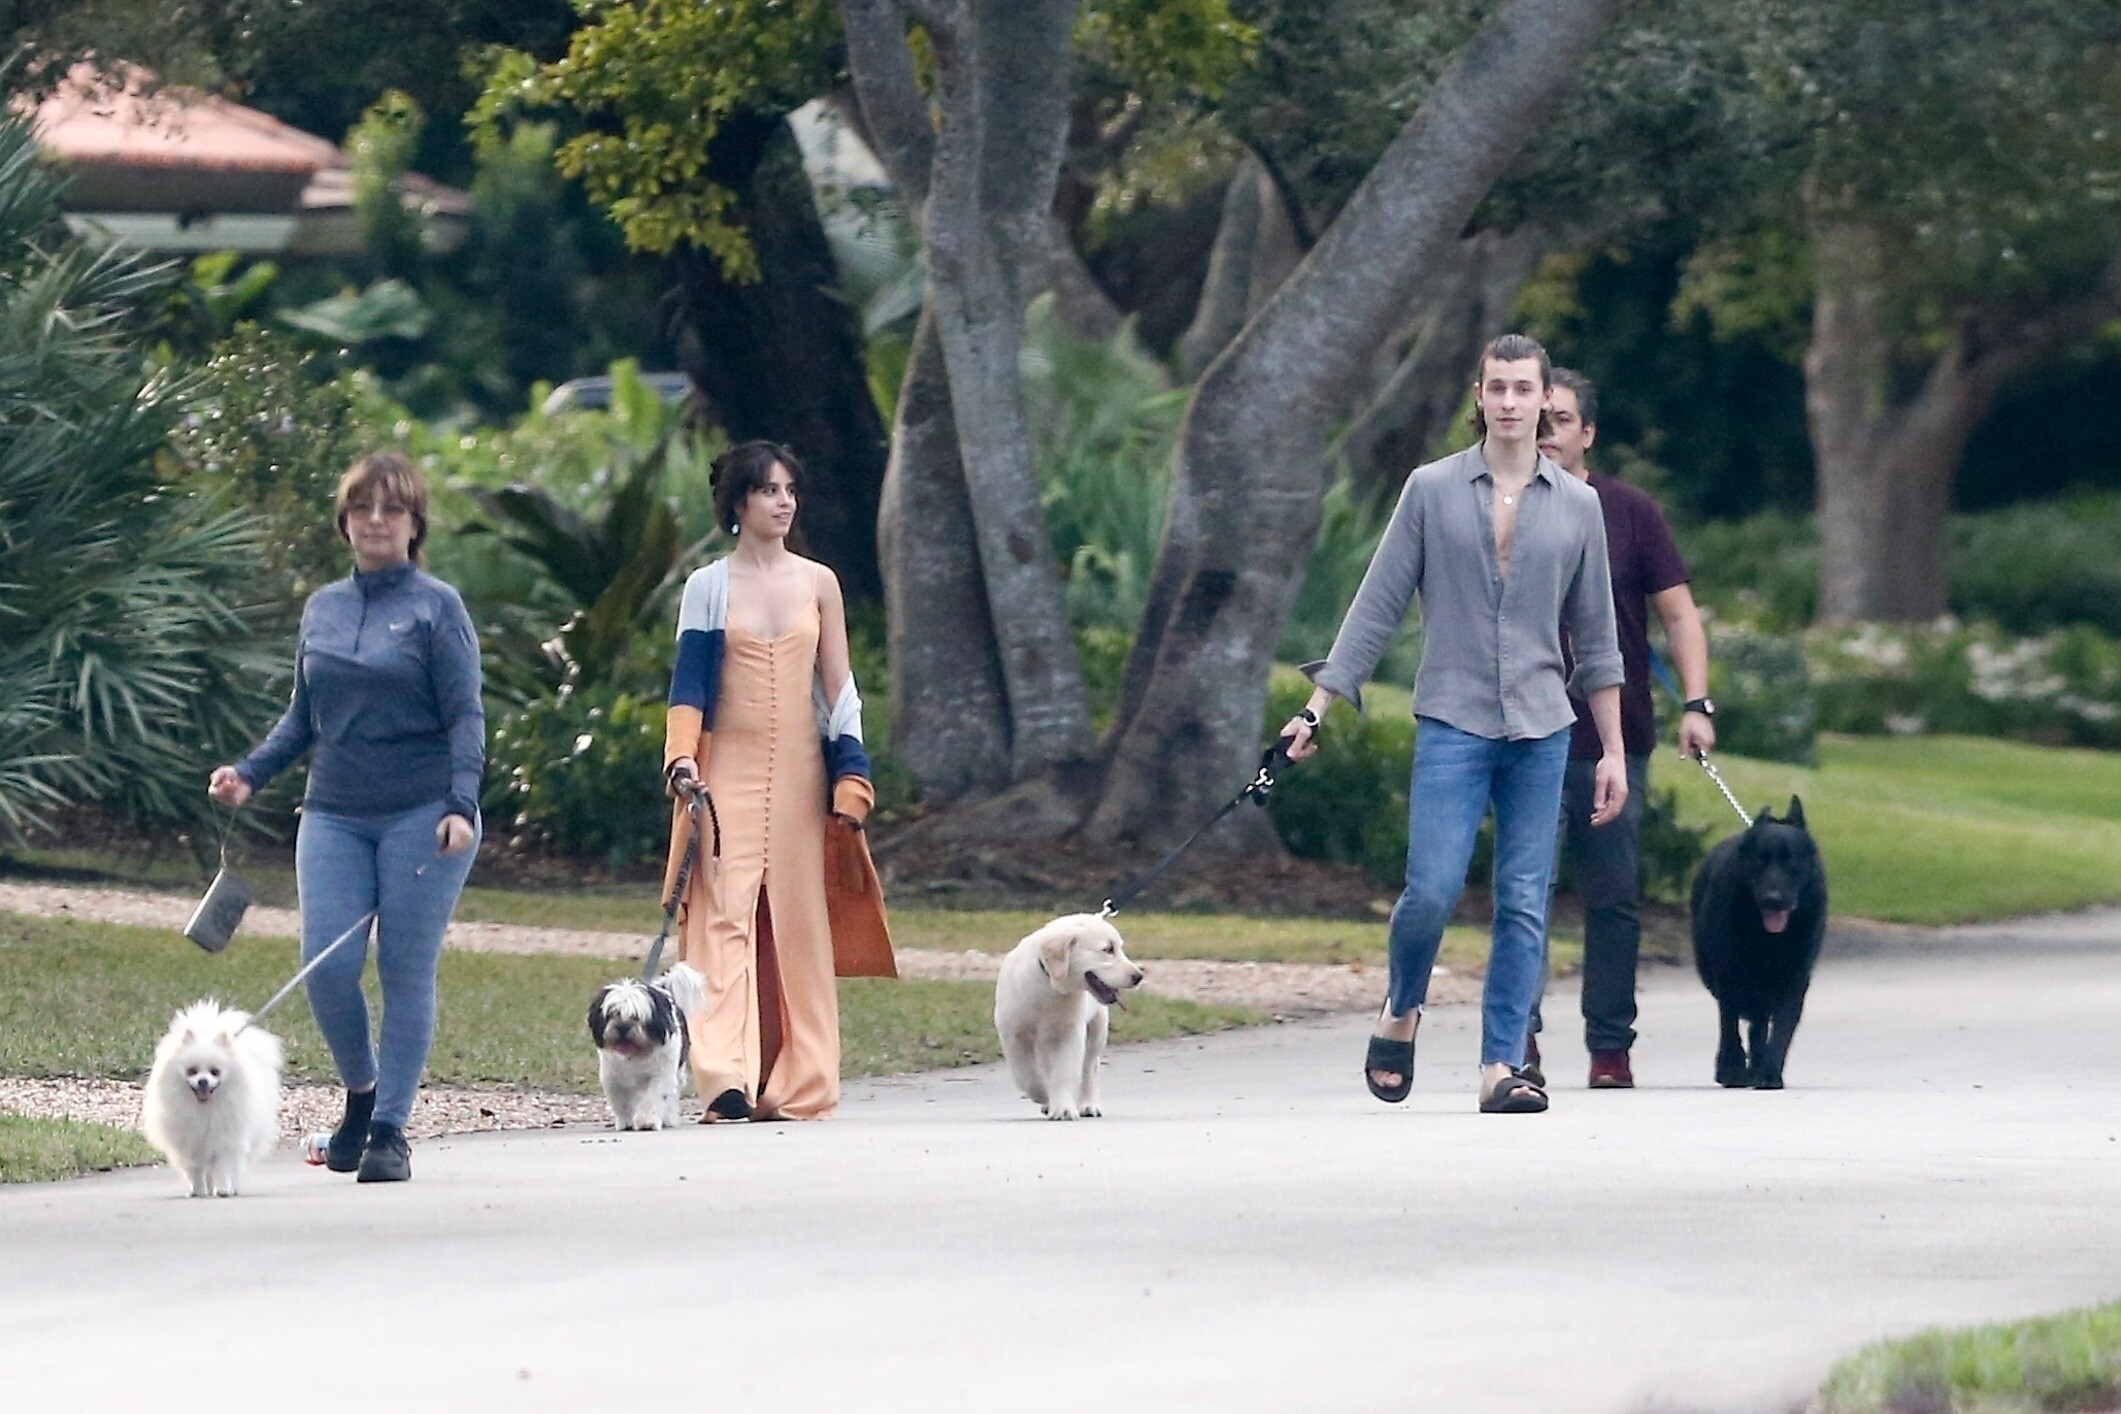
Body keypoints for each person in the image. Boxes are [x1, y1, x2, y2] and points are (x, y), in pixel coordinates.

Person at [1284, 334, 1628, 1115]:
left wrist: (1610, 750)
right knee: (1431, 890)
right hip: (1452, 719)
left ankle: (1501, 1063)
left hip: (1542, 727)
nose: (1508, 401)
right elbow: (1375, 606)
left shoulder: (1578, 506)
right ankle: (1401, 1005)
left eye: (1522, 389)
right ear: (1478, 396)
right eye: (1495, 387)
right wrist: (1317, 706)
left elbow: (1597, 636)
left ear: (1544, 401)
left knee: (1524, 899)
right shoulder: (1430, 490)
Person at [208, 451, 483, 1184]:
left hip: (425, 814)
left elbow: (465, 715)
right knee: (326, 969)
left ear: (415, 524)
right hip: (334, 811)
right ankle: (361, 1095)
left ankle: (390, 1129)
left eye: (392, 509)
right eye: (362, 508)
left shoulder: (437, 607)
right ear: (344, 522)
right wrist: (249, 774)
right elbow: (304, 718)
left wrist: (461, 804)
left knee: (403, 967)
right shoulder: (323, 608)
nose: (375, 521)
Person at [662, 440, 894, 1123]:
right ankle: (725, 1080)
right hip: (724, 774)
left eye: (789, 489)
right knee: (723, 917)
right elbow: (688, 686)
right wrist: (681, 759)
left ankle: (799, 1080)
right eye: (768, 490)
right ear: (738, 502)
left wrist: (852, 779)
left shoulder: (819, 582)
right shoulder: (708, 586)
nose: (784, 502)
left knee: (799, 923)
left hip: (800, 776)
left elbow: (840, 691)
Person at [1523, 369, 1714, 1090]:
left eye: (1561, 419)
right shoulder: (1500, 504)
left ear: (1588, 433)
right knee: (1525, 892)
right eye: (1538, 418)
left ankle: (1609, 1046)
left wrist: (1696, 704)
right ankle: (1516, 1037)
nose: (1546, 431)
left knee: (1613, 897)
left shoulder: (1630, 512)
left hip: (1613, 738)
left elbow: (1678, 614)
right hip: (1523, 736)